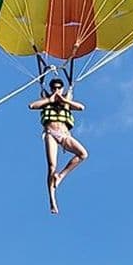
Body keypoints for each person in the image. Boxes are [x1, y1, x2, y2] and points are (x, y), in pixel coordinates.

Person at [28, 78, 88, 215]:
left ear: (62, 88)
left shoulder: (66, 103)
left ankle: (61, 176)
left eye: (59, 88)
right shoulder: (46, 102)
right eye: (54, 88)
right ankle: (52, 200)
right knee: (51, 166)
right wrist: (50, 100)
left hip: (65, 135)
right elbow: (31, 106)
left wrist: (64, 100)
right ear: (51, 89)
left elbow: (81, 107)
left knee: (83, 154)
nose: (56, 90)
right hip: (51, 134)